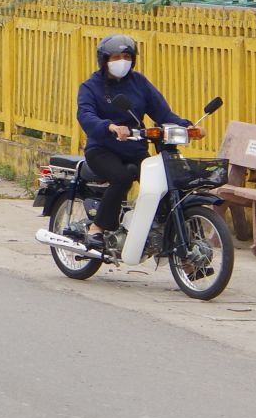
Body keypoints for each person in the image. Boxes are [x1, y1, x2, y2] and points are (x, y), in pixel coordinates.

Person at [76, 33, 187, 253]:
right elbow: (86, 115)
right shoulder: (90, 86)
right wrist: (110, 126)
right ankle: (97, 228)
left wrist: (187, 126)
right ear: (104, 60)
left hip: (134, 148)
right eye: (116, 57)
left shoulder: (139, 83)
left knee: (162, 181)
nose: (122, 61)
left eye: (127, 57)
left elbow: (162, 113)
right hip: (102, 149)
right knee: (122, 177)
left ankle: (161, 232)